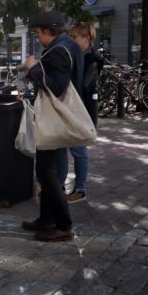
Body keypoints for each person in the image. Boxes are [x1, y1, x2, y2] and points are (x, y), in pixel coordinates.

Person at [23, 10, 83, 242]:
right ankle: (46, 219)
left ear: (50, 31)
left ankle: (63, 224)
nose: (38, 38)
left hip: (54, 119)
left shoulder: (59, 51)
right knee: (47, 171)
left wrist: (33, 67)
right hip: (58, 119)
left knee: (47, 174)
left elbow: (56, 86)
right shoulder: (70, 46)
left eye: (39, 33)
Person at [57, 22, 101, 203]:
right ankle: (59, 185)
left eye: (75, 37)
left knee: (78, 151)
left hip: (80, 112)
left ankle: (80, 189)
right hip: (69, 110)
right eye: (71, 37)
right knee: (61, 148)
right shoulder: (74, 56)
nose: (72, 41)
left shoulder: (92, 60)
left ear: (87, 38)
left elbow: (85, 89)